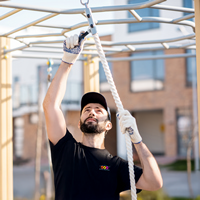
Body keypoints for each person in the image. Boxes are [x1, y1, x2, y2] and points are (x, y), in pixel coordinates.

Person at [43, 33, 163, 200]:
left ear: (109, 125)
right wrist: (67, 62)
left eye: (99, 110)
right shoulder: (66, 149)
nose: (92, 112)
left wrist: (138, 140)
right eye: (87, 110)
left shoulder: (116, 166)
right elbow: (51, 106)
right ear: (79, 124)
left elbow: (154, 183)